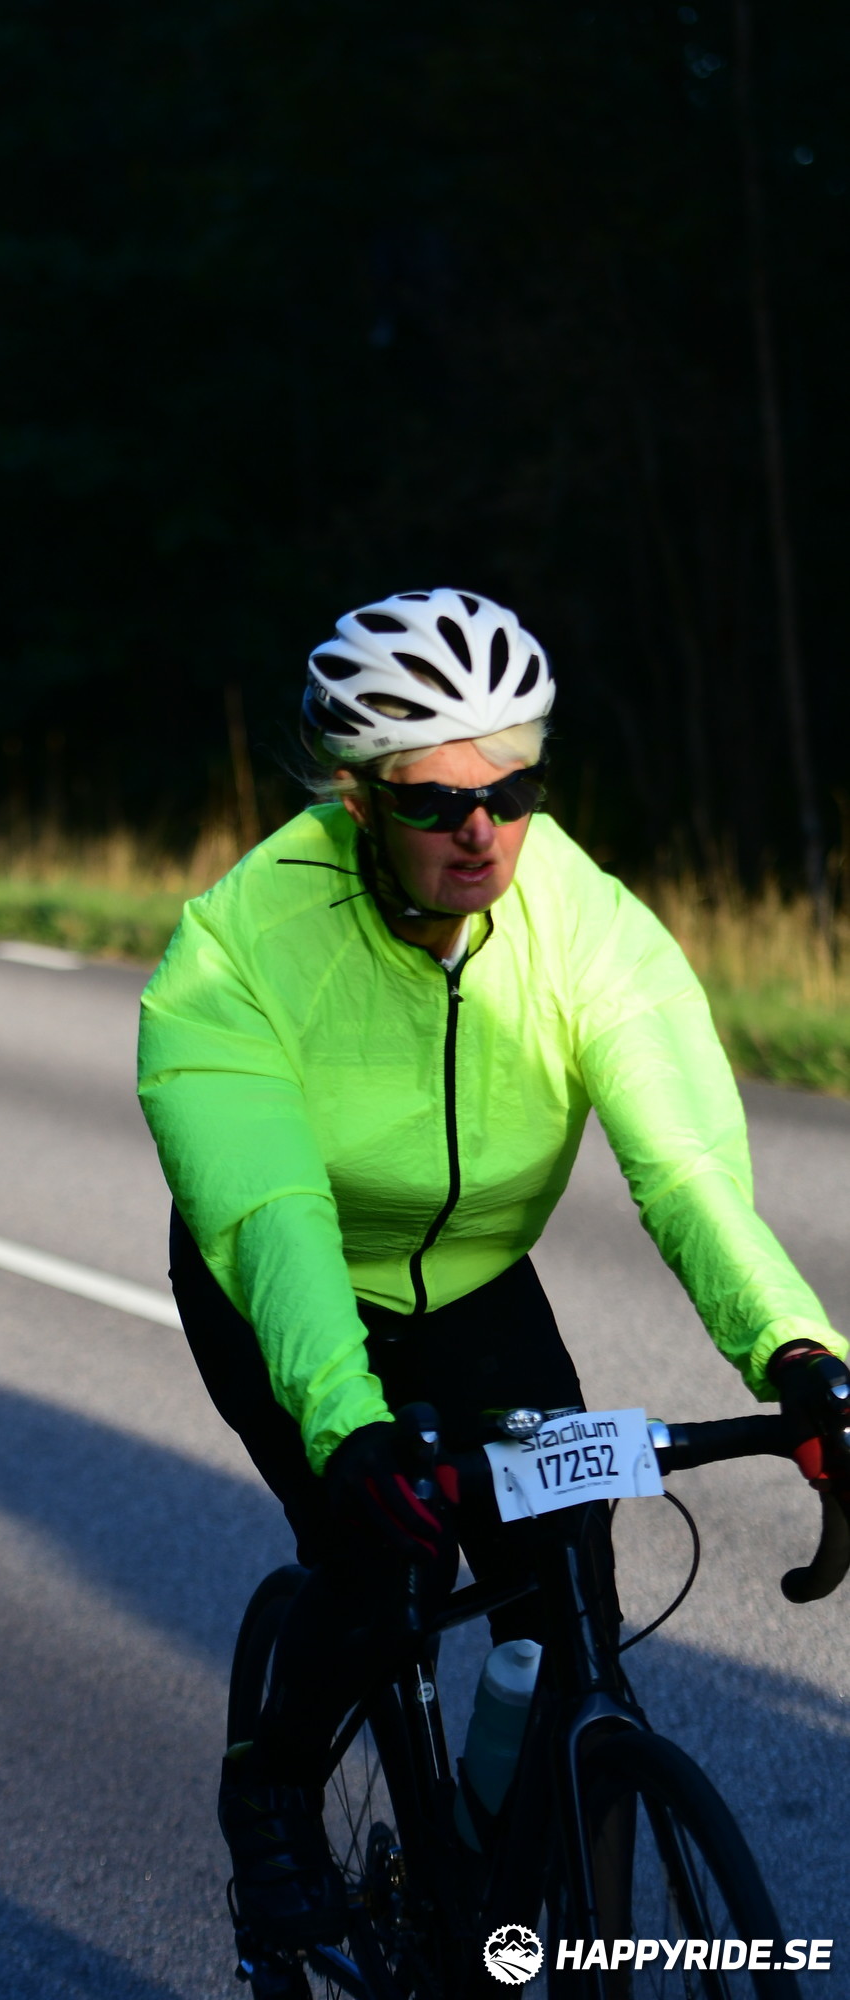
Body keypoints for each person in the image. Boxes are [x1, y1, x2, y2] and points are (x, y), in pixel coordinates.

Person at [136, 587, 850, 1947]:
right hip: (283, 1283)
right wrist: (347, 1427)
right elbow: (273, 1210)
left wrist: (797, 1354)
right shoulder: (237, 948)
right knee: (378, 1572)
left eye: (511, 789)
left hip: (471, 1288)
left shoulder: (582, 920)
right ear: (357, 800)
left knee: (567, 1585)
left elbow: (684, 1167)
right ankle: (269, 1788)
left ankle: (524, 1911)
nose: (482, 829)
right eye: (435, 802)